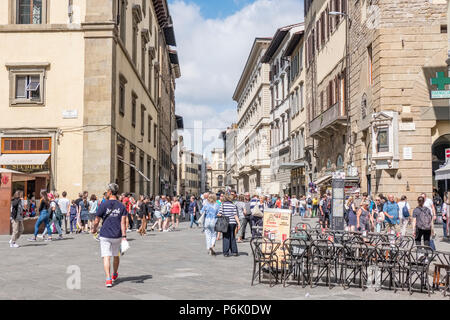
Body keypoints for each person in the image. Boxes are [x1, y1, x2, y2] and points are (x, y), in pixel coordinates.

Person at [92, 183, 128, 287]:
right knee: (116, 255)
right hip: (117, 235)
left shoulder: (103, 204)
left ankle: (108, 279)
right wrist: (124, 237)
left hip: (105, 234)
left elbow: (96, 220)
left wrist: (94, 229)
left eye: (107, 190)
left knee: (106, 256)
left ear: (110, 192)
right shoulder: (121, 206)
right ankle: (114, 274)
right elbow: (123, 223)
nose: (107, 192)